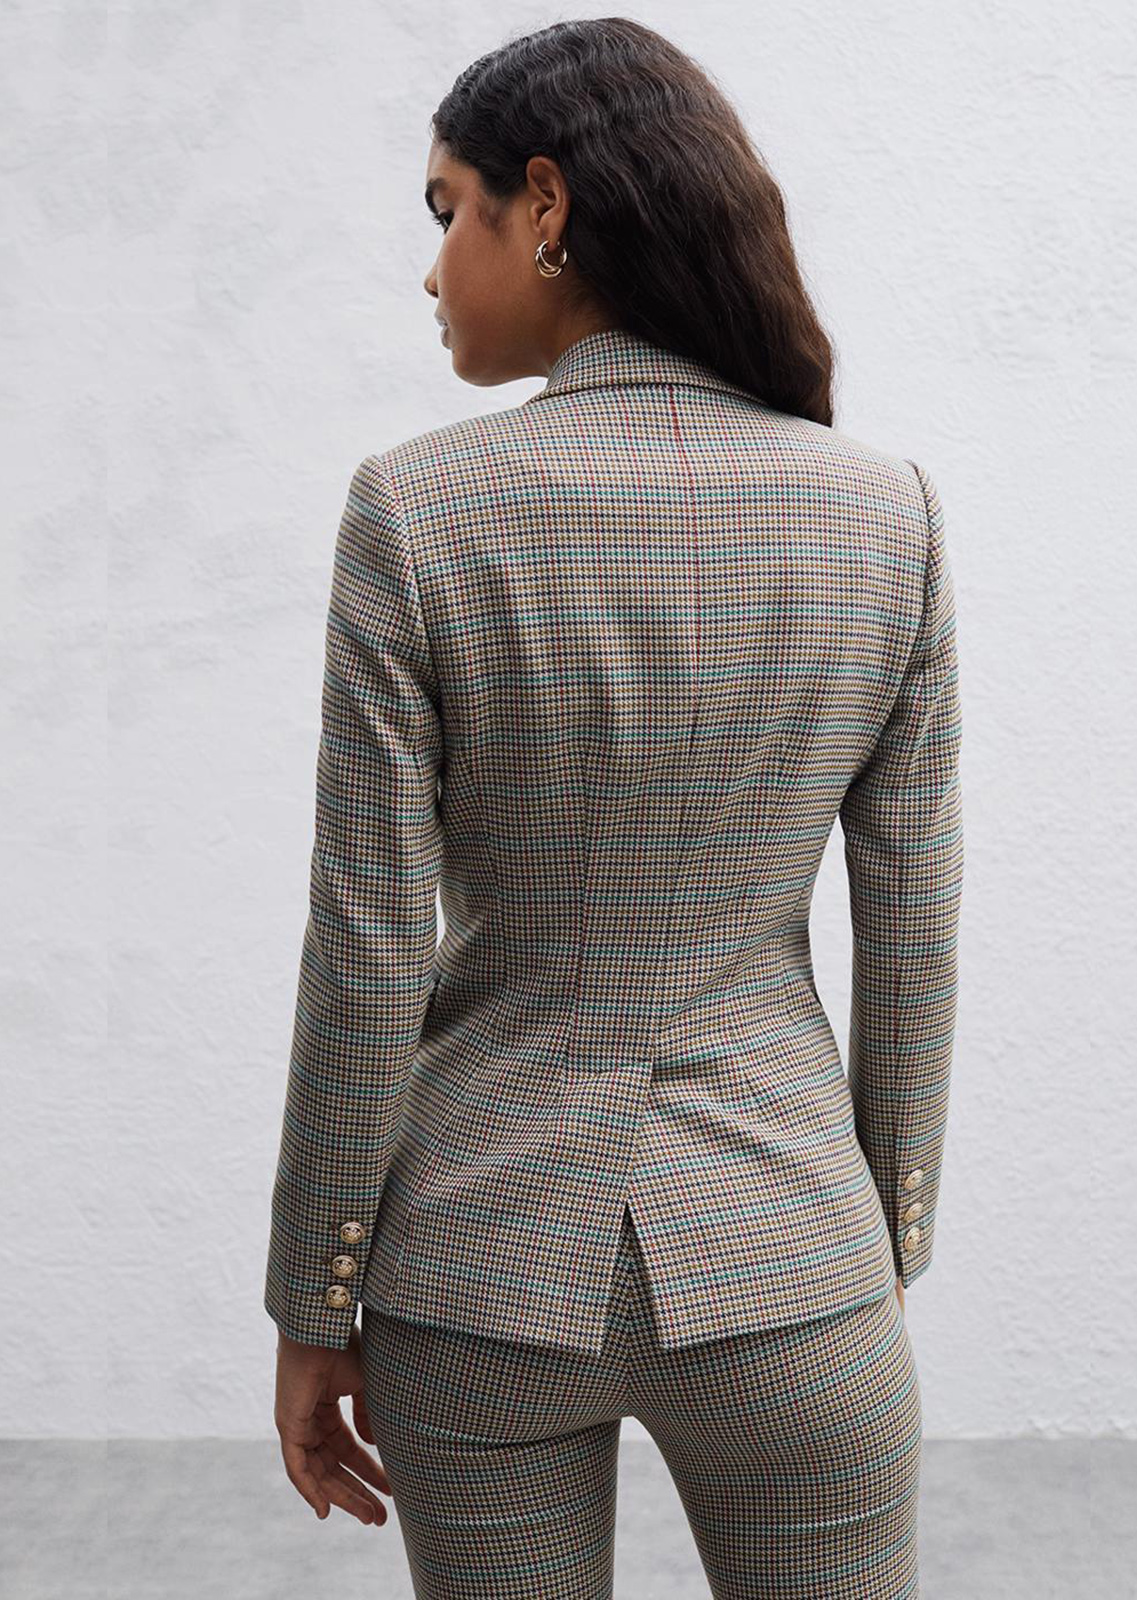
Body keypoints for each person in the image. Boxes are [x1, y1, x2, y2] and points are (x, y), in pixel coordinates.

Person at [264, 17, 963, 1599]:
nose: (432, 268)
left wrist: (316, 1296)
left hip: (477, 1275)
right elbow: (913, 937)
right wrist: (874, 1250)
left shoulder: (417, 511)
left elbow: (366, 952)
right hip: (790, 1254)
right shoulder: (887, 515)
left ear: (548, 203)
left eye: (449, 211)